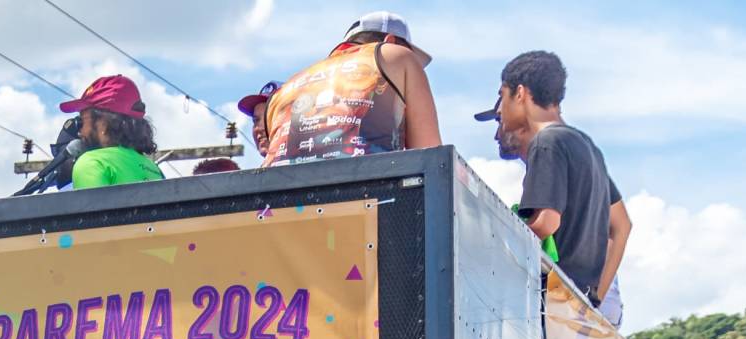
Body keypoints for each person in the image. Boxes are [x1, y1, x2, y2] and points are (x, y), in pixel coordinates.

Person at [477, 50, 628, 321]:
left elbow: (546, 223)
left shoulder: (546, 141)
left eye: (503, 95)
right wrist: (595, 298)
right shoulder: (585, 145)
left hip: (560, 300)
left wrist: (491, 245)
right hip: (583, 301)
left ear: (520, 93)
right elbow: (622, 225)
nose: (500, 109)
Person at [263, 11, 440, 165]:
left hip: (273, 200)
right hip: (367, 195)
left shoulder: (286, 88)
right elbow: (431, 157)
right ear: (390, 41)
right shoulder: (395, 55)